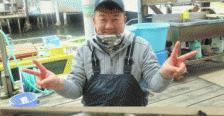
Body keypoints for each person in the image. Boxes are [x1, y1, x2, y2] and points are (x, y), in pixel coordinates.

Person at [22, 0, 197, 106]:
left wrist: (165, 73)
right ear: (94, 21)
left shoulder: (142, 47)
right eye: (103, 19)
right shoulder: (84, 50)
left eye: (115, 19)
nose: (109, 26)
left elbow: (155, 85)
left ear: (125, 20)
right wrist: (57, 83)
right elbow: (75, 90)